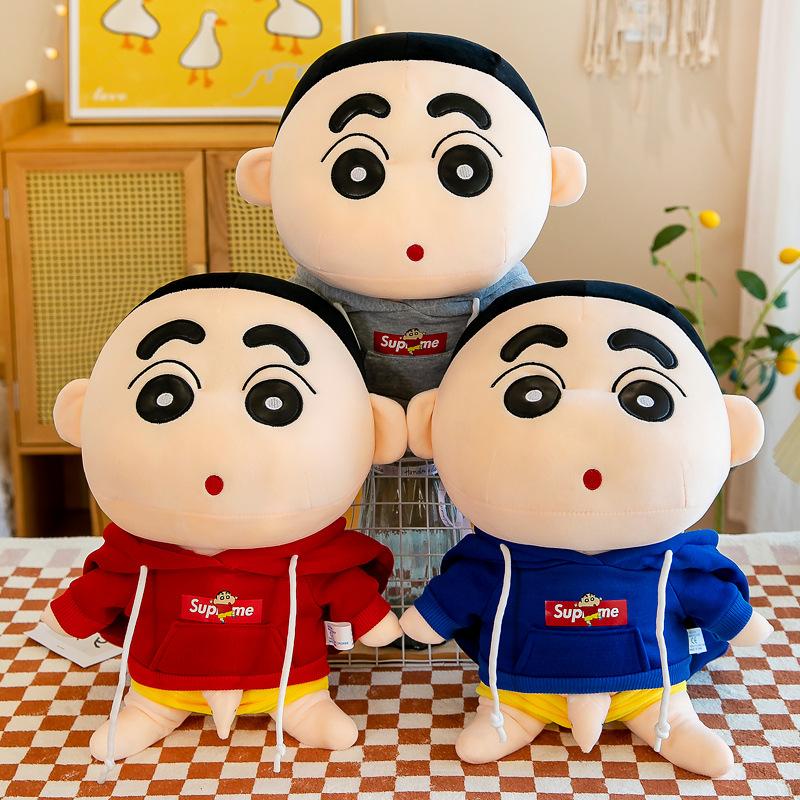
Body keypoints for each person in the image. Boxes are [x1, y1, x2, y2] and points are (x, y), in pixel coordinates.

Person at [400, 280, 772, 777]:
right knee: (497, 721)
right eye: (531, 393)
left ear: (732, 433)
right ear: (435, 423)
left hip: (651, 688)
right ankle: (510, 716)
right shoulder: (497, 558)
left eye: (647, 398)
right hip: (520, 685)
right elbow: (462, 591)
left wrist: (739, 622)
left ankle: (674, 721)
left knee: (667, 710)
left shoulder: (672, 560)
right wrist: (427, 619)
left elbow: (709, 598)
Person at [39, 272, 408, 771]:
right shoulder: (138, 557)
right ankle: (149, 709)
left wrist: (372, 619)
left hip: (289, 677)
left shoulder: (312, 558)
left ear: (372, 430)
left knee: (311, 706)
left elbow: (343, 590)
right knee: (150, 701)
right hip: (161, 678)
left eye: (275, 398)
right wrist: (69, 616)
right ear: (82, 414)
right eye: (164, 394)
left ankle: (304, 705)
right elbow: (100, 592)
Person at [236, 32, 587, 405]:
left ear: (554, 177)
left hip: (468, 435)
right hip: (351, 438)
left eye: (465, 169)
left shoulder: (509, 298)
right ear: (267, 178)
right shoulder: (307, 303)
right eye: (356, 170)